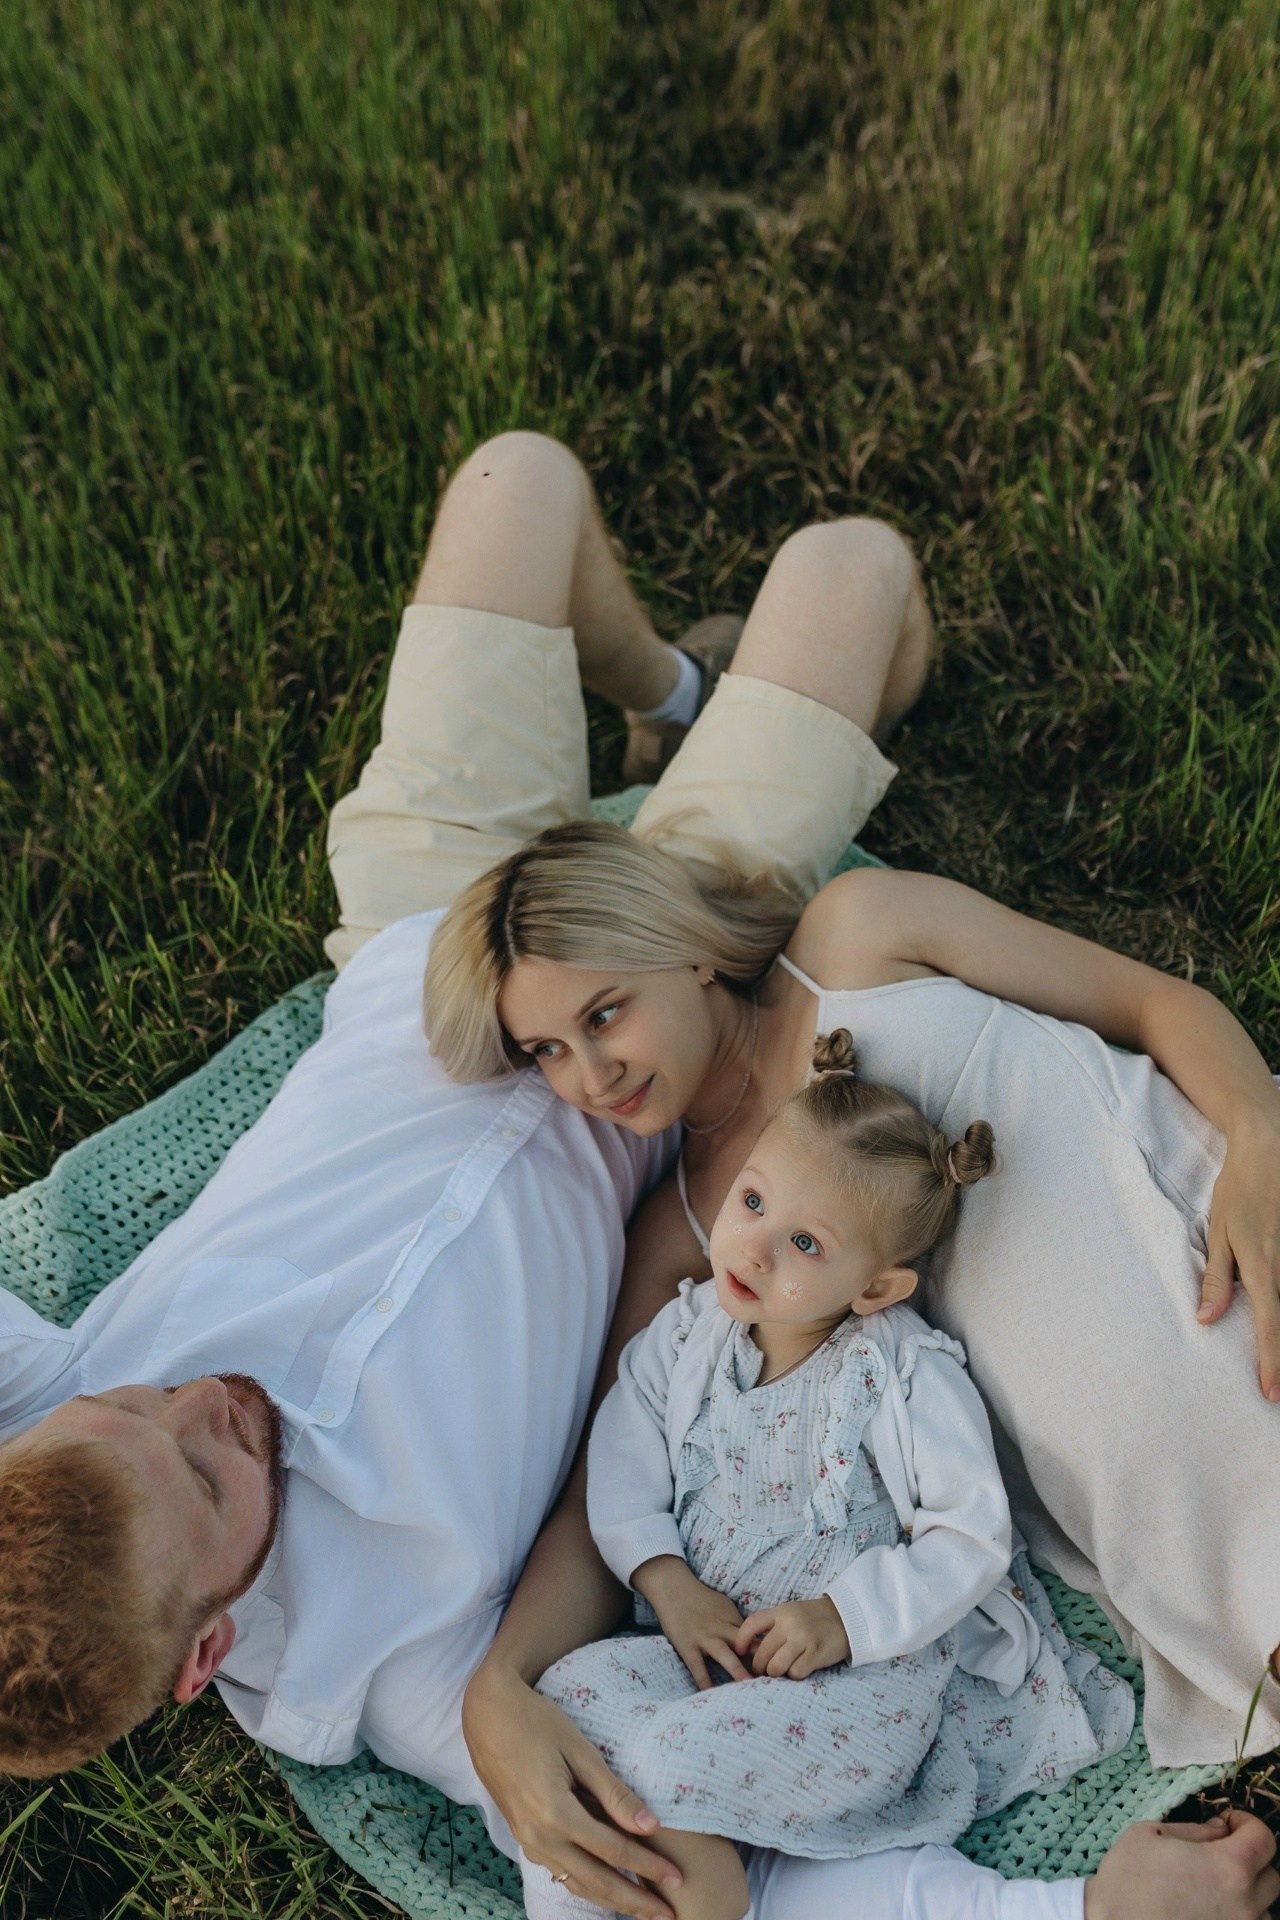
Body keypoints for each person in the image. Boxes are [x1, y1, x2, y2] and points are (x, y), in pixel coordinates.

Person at [0, 431, 1272, 1920]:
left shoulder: (44, 1406)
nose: (200, 1403)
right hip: (577, 952)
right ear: (207, 1650)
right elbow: (680, 1865)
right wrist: (500, 1700)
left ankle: (669, 691)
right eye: (212, 1474)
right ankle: (698, 728)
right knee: (850, 575)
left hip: (448, 926)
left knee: (518, 479)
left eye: (131, 1405)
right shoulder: (389, 1659)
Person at [522, 1038, 1133, 1920]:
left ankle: (717, 1897)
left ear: (876, 1289)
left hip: (854, 1682)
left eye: (805, 1242)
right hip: (705, 1654)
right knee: (568, 1707)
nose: (755, 1248)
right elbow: (620, 1463)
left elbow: (969, 1534)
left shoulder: (903, 1374)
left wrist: (842, 1619)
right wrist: (666, 1582)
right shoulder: (685, 1338)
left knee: (664, 1767)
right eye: (753, 1201)